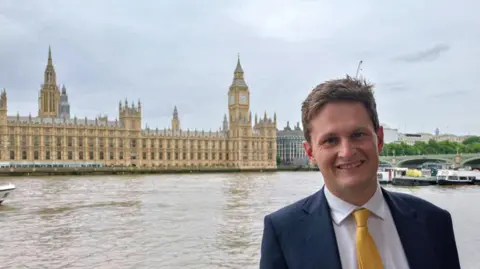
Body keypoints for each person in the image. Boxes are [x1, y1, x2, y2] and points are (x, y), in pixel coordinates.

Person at [259, 76, 461, 269]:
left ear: (379, 139)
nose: (347, 152)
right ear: (310, 152)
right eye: (330, 140)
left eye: (358, 135)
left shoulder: (434, 222)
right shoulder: (283, 232)